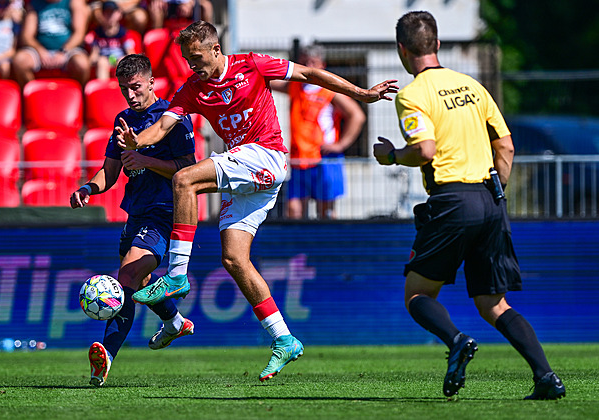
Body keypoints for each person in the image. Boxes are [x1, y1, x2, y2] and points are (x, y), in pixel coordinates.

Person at [115, 20, 397, 382]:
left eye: (196, 57)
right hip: (248, 172)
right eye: (186, 58)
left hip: (266, 156)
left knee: (184, 179)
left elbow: (310, 74)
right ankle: (284, 339)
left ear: (216, 50)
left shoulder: (252, 64)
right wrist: (138, 141)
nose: (192, 65)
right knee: (234, 259)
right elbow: (163, 127)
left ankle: (176, 276)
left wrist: (361, 93)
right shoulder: (193, 89)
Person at [373, 11, 565, 400]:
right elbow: (506, 145)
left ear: (401, 50)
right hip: (489, 198)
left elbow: (425, 150)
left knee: (418, 295)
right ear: (438, 44)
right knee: (494, 303)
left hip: (452, 200)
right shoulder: (473, 86)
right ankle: (546, 378)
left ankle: (457, 340)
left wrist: (392, 156)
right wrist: (496, 192)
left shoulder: (413, 94)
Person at [70, 53, 197, 387]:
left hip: (166, 212)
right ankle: (174, 322)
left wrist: (143, 157)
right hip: (136, 213)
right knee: (138, 282)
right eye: (125, 89)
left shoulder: (173, 118)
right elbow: (110, 171)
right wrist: (88, 187)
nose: (130, 95)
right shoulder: (122, 119)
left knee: (126, 276)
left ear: (152, 82)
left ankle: (106, 355)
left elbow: (187, 168)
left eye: (136, 87)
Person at [271, 44, 366, 219]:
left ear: (322, 65)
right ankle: (297, 246)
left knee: (326, 212)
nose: (309, 67)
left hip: (324, 159)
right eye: (305, 62)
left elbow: (357, 115)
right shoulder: (294, 87)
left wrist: (341, 144)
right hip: (300, 160)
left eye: (313, 62)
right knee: (293, 211)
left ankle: (328, 244)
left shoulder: (330, 90)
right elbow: (269, 81)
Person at [12, 0, 91, 88]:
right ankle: (33, 94)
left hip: (68, 49)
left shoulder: (74, 2)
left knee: (82, 64)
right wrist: (40, 51)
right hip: (40, 50)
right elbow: (27, 36)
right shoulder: (34, 4)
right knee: (20, 61)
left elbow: (79, 34)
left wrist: (63, 51)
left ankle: (77, 95)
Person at [86, 0, 136, 80]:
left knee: (123, 61)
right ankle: (104, 88)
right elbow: (93, 56)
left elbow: (131, 53)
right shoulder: (97, 34)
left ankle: (122, 88)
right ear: (102, 15)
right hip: (104, 60)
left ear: (119, 14)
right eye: (107, 13)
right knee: (102, 62)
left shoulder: (124, 33)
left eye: (112, 13)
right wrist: (94, 61)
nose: (109, 16)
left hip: (119, 59)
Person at [147, 0, 213, 30]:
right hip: (166, 5)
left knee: (206, 6)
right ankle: (156, 46)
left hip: (189, 4)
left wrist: (191, 2)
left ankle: (208, 43)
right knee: (155, 9)